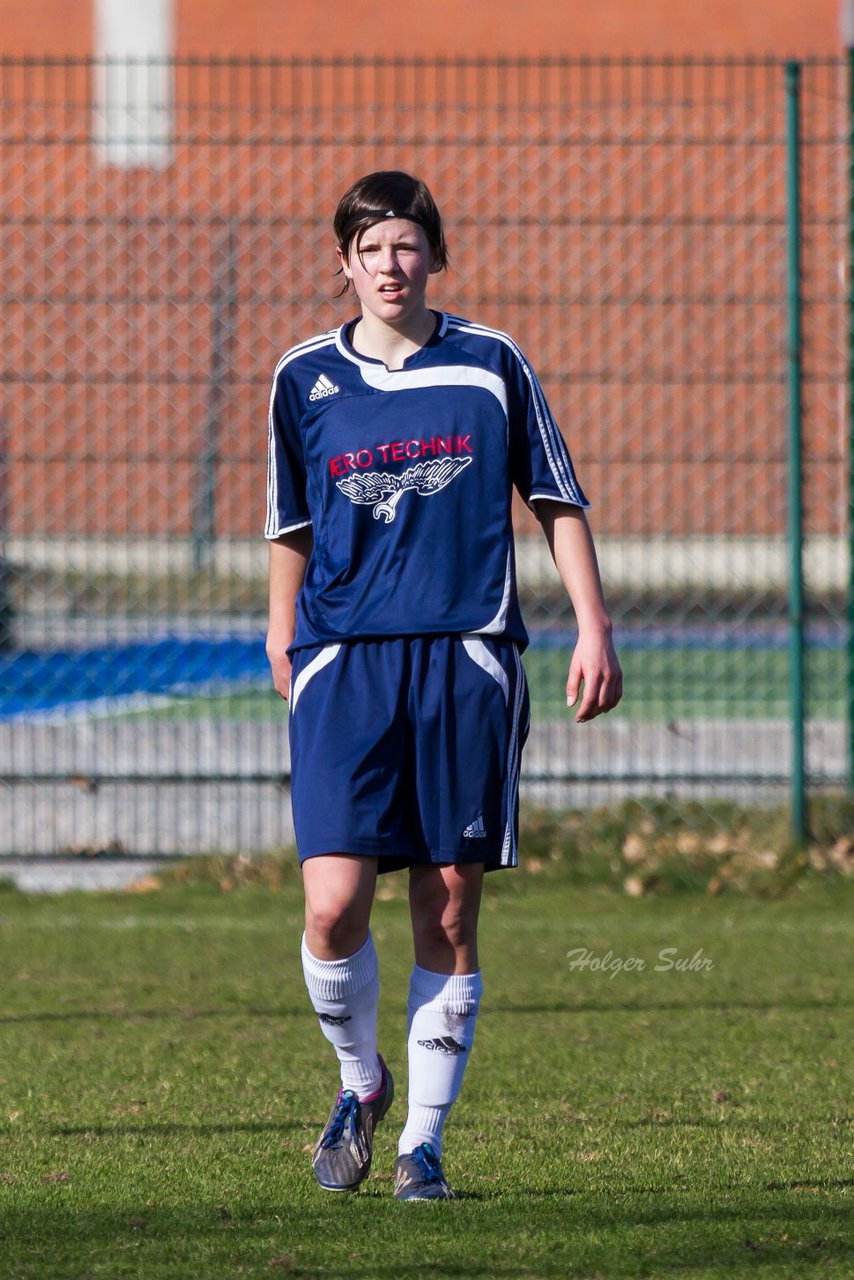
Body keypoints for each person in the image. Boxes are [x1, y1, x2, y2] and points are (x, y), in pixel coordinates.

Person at [265, 170, 621, 1201]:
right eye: (371, 248)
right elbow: (290, 522)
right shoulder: (301, 377)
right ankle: (358, 1079)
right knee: (331, 904)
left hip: (465, 656)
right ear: (344, 263)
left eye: (407, 245)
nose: (390, 265)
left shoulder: (490, 363)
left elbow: (554, 499)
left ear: (434, 255)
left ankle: (421, 1145)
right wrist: (284, 633)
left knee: (449, 902)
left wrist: (591, 622)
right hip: (344, 657)